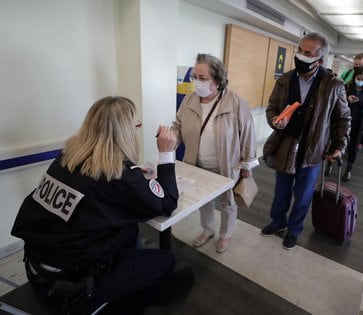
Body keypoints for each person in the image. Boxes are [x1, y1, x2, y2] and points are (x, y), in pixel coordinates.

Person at [11, 96, 193, 314]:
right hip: (73, 286)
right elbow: (167, 203)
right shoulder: (118, 176)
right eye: (135, 123)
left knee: (129, 230)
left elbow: (97, 198)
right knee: (165, 261)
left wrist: (133, 182)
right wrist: (166, 153)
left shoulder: (67, 158)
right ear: (124, 132)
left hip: (38, 268)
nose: (138, 128)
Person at [261, 32, 351, 249]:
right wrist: (274, 120)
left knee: (302, 197)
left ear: (319, 59)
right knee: (281, 191)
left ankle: (294, 230)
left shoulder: (333, 85)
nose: (301, 55)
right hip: (285, 145)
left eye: (307, 53)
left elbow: (343, 118)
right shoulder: (285, 79)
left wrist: (339, 146)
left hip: (313, 150)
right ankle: (278, 222)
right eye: (300, 50)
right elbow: (272, 107)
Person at [172, 53, 258, 254]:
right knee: (204, 201)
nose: (196, 82)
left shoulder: (236, 102)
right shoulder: (189, 99)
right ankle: (208, 230)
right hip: (196, 163)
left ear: (217, 81)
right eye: (194, 76)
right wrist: (171, 139)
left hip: (226, 164)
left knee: (228, 201)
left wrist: (247, 168)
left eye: (202, 78)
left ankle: (225, 235)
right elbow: (177, 125)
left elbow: (247, 136)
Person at [342, 66, 363, 182]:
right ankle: (330, 165)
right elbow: (337, 102)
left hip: (359, 122)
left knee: (353, 146)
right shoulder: (346, 87)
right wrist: (347, 99)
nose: (360, 81)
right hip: (343, 121)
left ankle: (349, 169)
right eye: (358, 78)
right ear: (354, 76)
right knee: (338, 142)